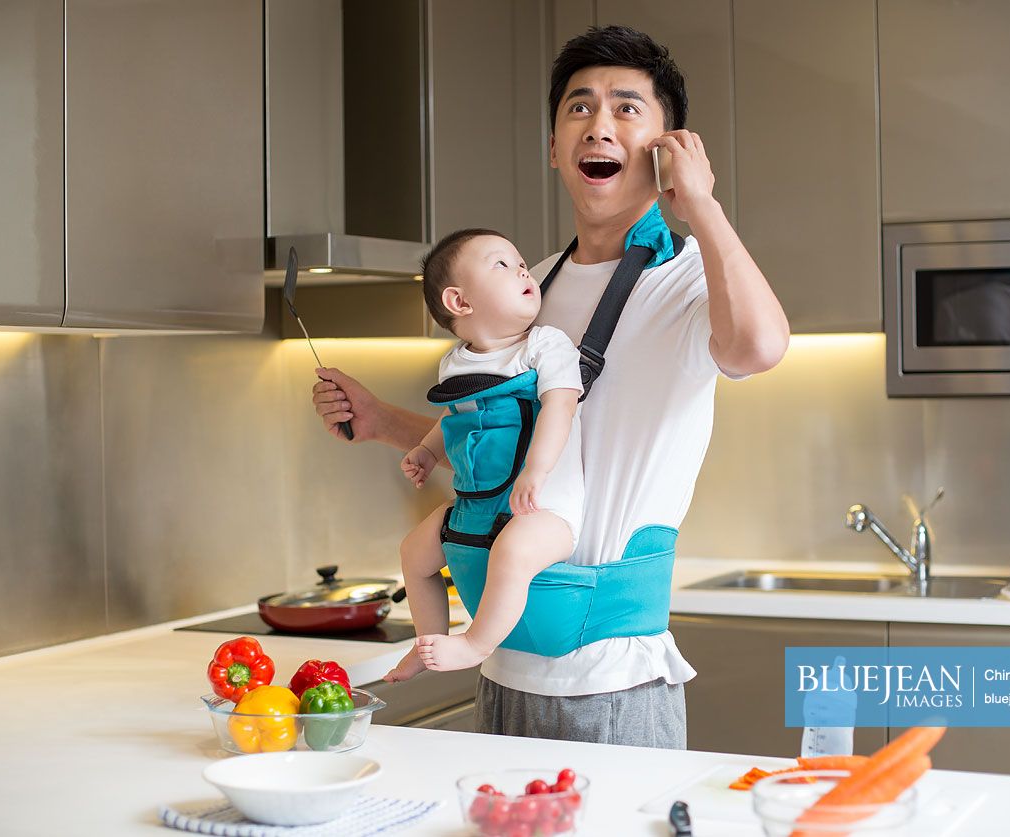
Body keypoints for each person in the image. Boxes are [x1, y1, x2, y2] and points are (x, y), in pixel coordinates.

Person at [313, 25, 789, 748]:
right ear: (552, 148)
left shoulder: (693, 278)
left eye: (626, 108)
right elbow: (502, 445)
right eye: (578, 107)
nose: (598, 124)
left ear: (669, 149)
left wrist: (703, 209)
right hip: (501, 667)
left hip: (611, 676)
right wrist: (382, 422)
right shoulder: (526, 287)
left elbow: (757, 348)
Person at [384, 228, 585, 679]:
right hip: (477, 505)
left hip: (546, 507)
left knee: (512, 554)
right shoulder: (455, 362)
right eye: (501, 264)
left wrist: (538, 469)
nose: (520, 268)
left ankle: (475, 643)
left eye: (519, 261)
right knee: (415, 554)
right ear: (459, 302)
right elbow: (457, 415)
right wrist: (428, 451)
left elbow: (561, 403)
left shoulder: (545, 345)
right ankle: (426, 640)